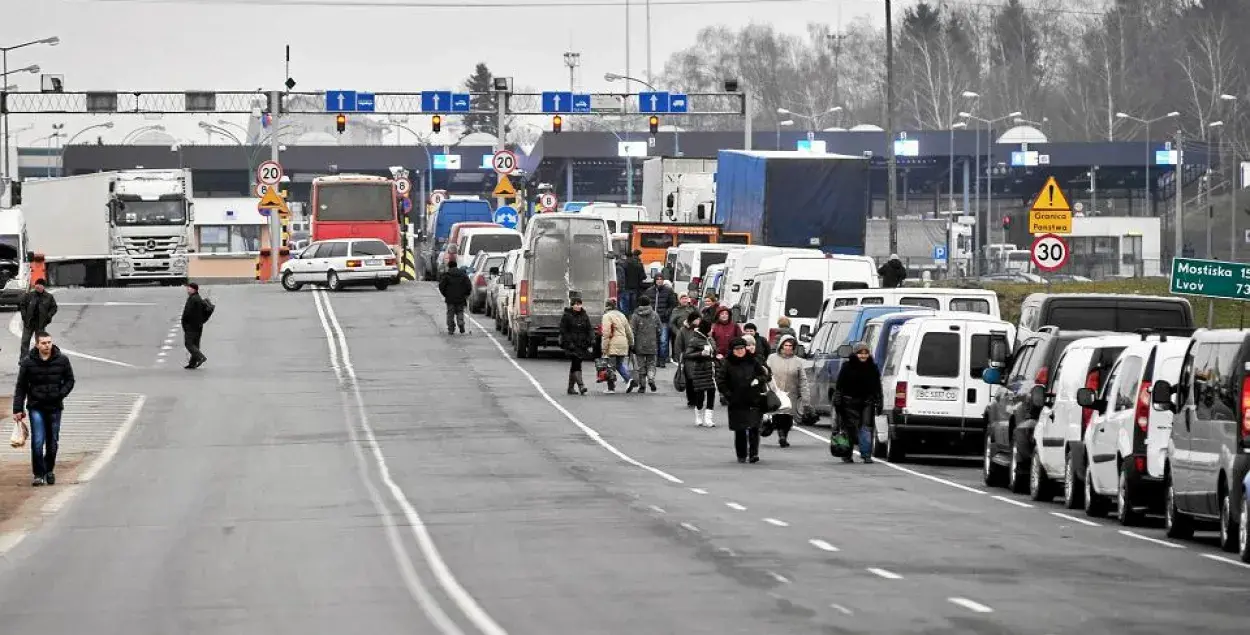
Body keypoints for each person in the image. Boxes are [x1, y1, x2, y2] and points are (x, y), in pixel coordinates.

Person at [13, 331, 75, 486]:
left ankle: (49, 470)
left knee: (52, 441)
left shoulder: (62, 360)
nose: (47, 345)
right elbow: (21, 387)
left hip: (54, 407)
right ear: (37, 345)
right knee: (38, 441)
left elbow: (70, 380)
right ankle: (39, 474)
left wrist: (60, 394)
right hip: (36, 407)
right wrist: (17, 409)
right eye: (44, 343)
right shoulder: (28, 363)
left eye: (49, 342)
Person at [716, 336, 772, 464]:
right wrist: (728, 395)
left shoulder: (753, 361)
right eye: (737, 349)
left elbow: (764, 374)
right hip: (737, 401)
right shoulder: (727, 363)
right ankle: (741, 454)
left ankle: (754, 454)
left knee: (754, 428)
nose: (740, 351)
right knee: (740, 429)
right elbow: (721, 381)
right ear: (732, 350)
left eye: (742, 348)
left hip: (754, 399)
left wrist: (758, 380)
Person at [834, 341, 883, 463]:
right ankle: (847, 454)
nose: (863, 356)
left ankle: (866, 455)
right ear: (855, 354)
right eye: (860, 353)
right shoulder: (847, 366)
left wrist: (879, 399)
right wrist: (838, 400)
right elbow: (839, 385)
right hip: (849, 402)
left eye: (866, 353)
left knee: (866, 428)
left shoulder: (873, 367)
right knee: (849, 429)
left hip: (867, 402)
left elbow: (877, 386)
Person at [767, 335, 809, 448]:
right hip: (776, 392)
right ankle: (781, 435)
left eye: (790, 345)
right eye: (786, 345)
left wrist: (806, 398)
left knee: (788, 418)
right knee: (778, 415)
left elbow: (803, 380)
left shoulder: (797, 362)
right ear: (781, 345)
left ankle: (783, 436)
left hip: (791, 393)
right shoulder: (772, 358)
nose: (788, 347)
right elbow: (765, 373)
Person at [684, 316, 718, 426]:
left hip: (711, 370)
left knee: (712, 393)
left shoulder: (711, 339)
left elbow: (714, 352)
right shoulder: (695, 340)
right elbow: (687, 355)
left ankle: (708, 418)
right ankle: (698, 415)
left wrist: (717, 356)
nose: (712, 330)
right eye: (710, 328)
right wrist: (700, 354)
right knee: (700, 396)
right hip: (700, 370)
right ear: (706, 329)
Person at [559, 296, 594, 395]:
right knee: (576, 362)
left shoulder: (584, 315)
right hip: (571, 344)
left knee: (575, 364)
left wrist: (592, 338)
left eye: (579, 304)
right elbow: (563, 330)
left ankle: (570, 388)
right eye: (576, 304)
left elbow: (589, 328)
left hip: (582, 344)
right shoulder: (567, 315)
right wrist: (569, 342)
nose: (578, 306)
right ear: (572, 305)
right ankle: (581, 385)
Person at [643, 273, 678, 367]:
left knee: (663, 341)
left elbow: (673, 304)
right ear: (655, 280)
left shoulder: (669, 291)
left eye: (661, 279)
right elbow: (645, 303)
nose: (659, 280)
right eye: (657, 279)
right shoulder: (649, 291)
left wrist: (666, 313)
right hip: (651, 320)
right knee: (653, 341)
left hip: (663, 320)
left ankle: (662, 360)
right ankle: (653, 360)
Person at [600, 298, 635, 393]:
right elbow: (629, 331)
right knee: (619, 364)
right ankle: (629, 379)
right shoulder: (622, 315)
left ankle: (611, 388)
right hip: (623, 343)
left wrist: (604, 347)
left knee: (609, 365)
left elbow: (606, 333)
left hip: (612, 343)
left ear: (607, 306)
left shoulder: (607, 316)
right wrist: (631, 343)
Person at [629, 296, 661, 393]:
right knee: (651, 363)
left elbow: (632, 331)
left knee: (641, 365)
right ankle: (651, 378)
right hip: (652, 344)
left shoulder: (635, 316)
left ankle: (642, 386)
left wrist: (631, 344)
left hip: (639, 345)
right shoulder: (655, 315)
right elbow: (659, 329)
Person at [18, 278, 58, 355]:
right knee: (25, 342)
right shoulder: (29, 295)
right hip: (28, 323)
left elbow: (54, 308)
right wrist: (24, 316)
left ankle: (39, 359)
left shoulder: (49, 297)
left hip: (40, 324)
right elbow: (22, 305)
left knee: (40, 343)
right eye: (36, 285)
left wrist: (48, 316)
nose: (37, 286)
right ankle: (23, 360)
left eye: (39, 285)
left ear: (43, 287)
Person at [181, 282, 212, 369]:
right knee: (195, 344)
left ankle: (200, 357)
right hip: (198, 325)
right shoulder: (197, 298)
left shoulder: (193, 299)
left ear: (194, 289)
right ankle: (193, 363)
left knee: (189, 344)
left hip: (191, 325)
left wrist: (185, 323)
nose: (187, 289)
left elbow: (188, 313)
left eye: (189, 288)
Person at [438, 258, 473, 335]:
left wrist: (445, 294)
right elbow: (468, 285)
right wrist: (466, 294)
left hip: (450, 299)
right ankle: (461, 323)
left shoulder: (446, 275)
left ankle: (451, 329)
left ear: (449, 267)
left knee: (450, 314)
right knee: (460, 311)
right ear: (456, 266)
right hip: (461, 298)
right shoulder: (463, 275)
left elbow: (441, 286)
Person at [668, 294, 698, 366]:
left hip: (693, 333)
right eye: (682, 299)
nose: (684, 300)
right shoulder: (676, 310)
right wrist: (677, 332)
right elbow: (671, 323)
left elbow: (700, 317)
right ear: (679, 300)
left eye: (686, 298)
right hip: (680, 333)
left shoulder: (693, 308)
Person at [619, 249, 647, 315]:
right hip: (635, 288)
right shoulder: (639, 264)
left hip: (625, 288)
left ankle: (626, 319)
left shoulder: (623, 264)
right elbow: (643, 276)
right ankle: (633, 319)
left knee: (625, 306)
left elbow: (621, 276)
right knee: (633, 306)